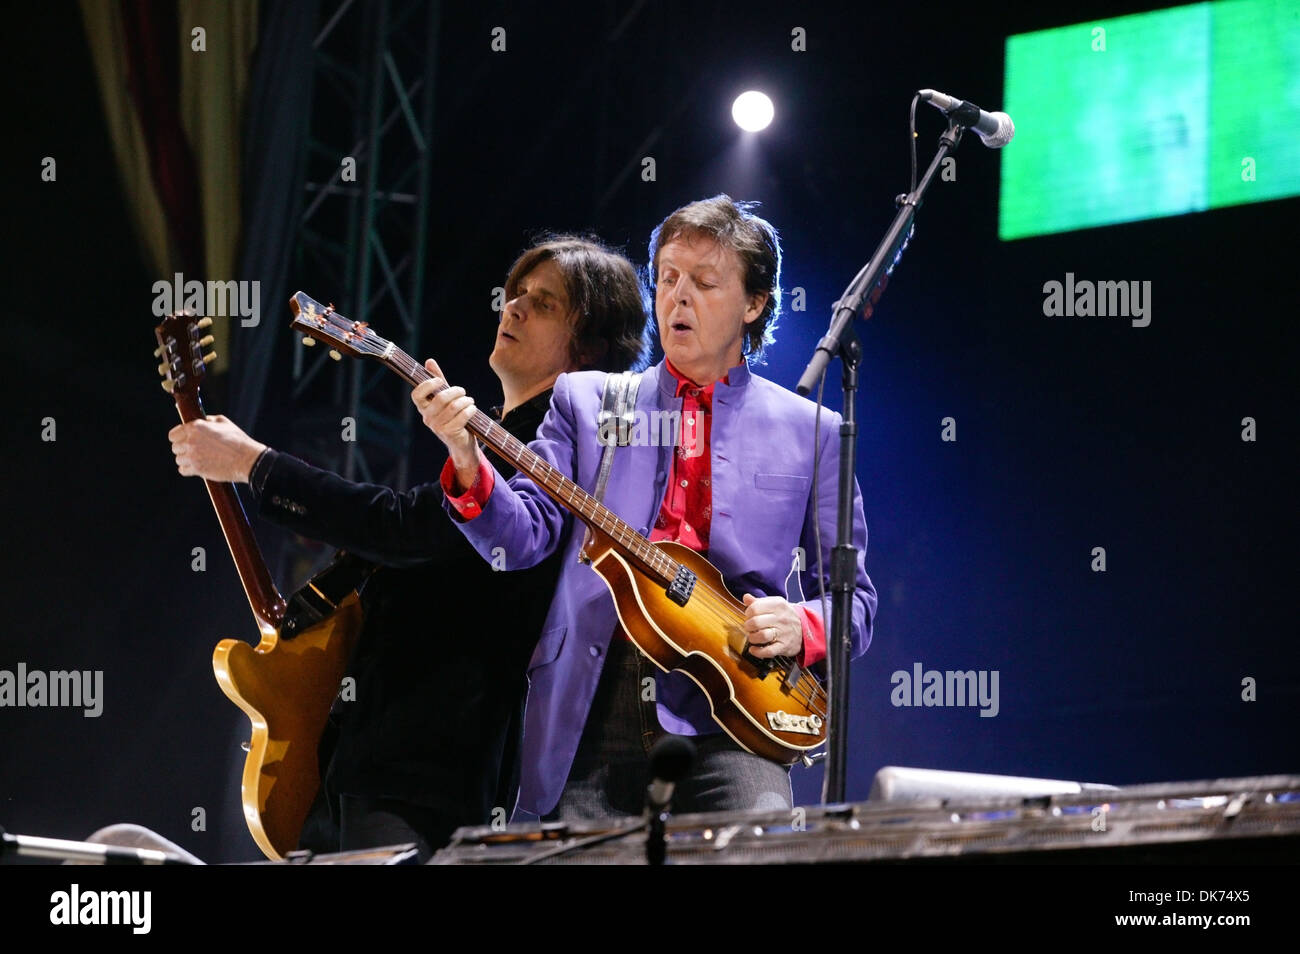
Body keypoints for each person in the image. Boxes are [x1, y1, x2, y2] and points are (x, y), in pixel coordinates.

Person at [169, 236, 650, 858]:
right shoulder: (494, 440)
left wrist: (256, 465)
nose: (514, 309)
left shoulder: (553, 450)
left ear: (589, 349)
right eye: (516, 294)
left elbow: (407, 528)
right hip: (385, 756)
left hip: (428, 769)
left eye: (546, 303)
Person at [416, 196, 877, 821]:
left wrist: (803, 625)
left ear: (753, 304)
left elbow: (855, 604)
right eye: (666, 277)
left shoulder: (813, 430)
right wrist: (467, 461)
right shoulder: (588, 400)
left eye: (704, 282)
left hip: (736, 711)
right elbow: (522, 540)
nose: (677, 297)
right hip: (592, 700)